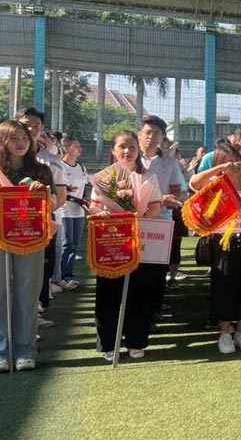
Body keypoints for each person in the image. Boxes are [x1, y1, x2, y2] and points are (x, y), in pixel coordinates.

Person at [89, 131, 164, 361]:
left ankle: (136, 340)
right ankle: (109, 344)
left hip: (139, 240)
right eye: (122, 146)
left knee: (140, 292)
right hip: (110, 241)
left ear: (138, 149)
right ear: (113, 150)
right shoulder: (104, 178)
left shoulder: (149, 177)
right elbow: (93, 206)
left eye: (131, 146)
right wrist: (101, 213)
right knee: (108, 293)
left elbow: (155, 206)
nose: (127, 151)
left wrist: (139, 219)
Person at [190, 139, 241, 354]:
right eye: (232, 160)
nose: (237, 164)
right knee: (223, 283)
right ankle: (224, 332)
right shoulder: (216, 180)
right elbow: (194, 183)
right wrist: (220, 169)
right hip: (222, 240)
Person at [0, 120, 53, 372]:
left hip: (30, 237)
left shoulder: (41, 171)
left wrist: (42, 193)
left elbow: (52, 204)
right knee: (0, 293)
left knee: (27, 293)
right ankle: (2, 350)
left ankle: (25, 349)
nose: (21, 142)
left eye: (24, 137)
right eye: (13, 138)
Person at [17, 108, 67, 315]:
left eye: (36, 126)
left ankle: (36, 310)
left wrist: (40, 215)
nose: (31, 129)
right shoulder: (5, 161)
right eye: (26, 124)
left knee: (40, 267)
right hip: (10, 225)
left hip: (42, 223)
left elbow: (61, 194)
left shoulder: (51, 162)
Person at [137, 116, 182, 331]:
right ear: (139, 135)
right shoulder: (129, 159)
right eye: (147, 132)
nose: (150, 137)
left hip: (160, 223)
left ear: (163, 138)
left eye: (155, 133)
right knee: (134, 269)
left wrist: (167, 200)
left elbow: (178, 191)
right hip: (134, 222)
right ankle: (133, 312)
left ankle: (153, 311)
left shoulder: (169, 163)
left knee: (156, 271)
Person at [57, 133, 87, 290]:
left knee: (74, 244)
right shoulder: (60, 166)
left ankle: (69, 274)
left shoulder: (81, 167)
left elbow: (84, 188)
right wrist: (75, 199)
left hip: (79, 212)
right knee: (66, 244)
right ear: (66, 148)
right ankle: (62, 277)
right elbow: (60, 191)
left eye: (79, 146)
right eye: (75, 146)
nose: (79, 149)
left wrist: (85, 200)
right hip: (64, 210)